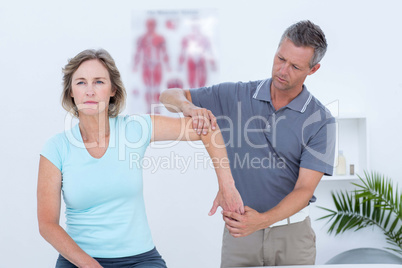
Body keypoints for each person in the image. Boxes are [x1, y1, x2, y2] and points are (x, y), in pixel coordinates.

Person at [37, 49, 243, 268]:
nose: (89, 91)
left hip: (140, 260)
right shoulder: (56, 148)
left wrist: (226, 185)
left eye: (98, 82)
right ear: (70, 91)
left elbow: (208, 129)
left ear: (113, 90)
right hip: (78, 261)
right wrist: (89, 265)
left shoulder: (134, 129)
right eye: (80, 83)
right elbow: (47, 224)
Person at [160, 20, 336, 267]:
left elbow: (304, 190)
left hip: (293, 237)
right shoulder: (235, 95)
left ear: (313, 69)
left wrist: (262, 220)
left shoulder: (321, 120)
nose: (282, 70)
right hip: (240, 233)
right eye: (280, 58)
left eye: (295, 66)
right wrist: (190, 107)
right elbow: (169, 96)